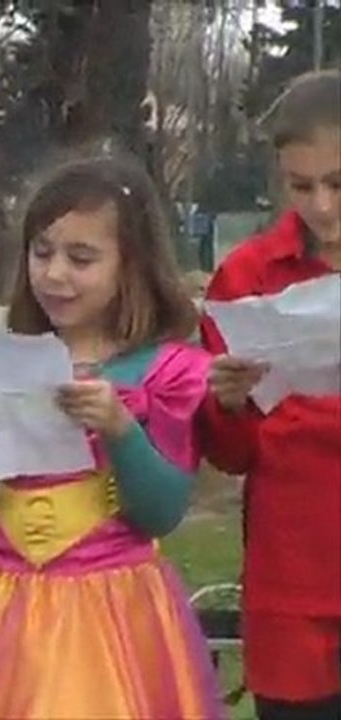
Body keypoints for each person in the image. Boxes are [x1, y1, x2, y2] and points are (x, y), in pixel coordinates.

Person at [0, 156, 225, 719]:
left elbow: (161, 511)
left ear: (132, 265)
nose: (55, 274)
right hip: (1, 615)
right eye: (42, 252)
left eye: (81, 259)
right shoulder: (0, 364)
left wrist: (120, 430)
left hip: (114, 614)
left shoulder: (165, 372)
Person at [199, 69, 341, 720]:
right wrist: (226, 403)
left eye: (338, 184)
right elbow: (229, 453)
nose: (322, 207)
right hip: (292, 589)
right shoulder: (248, 277)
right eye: (301, 186)